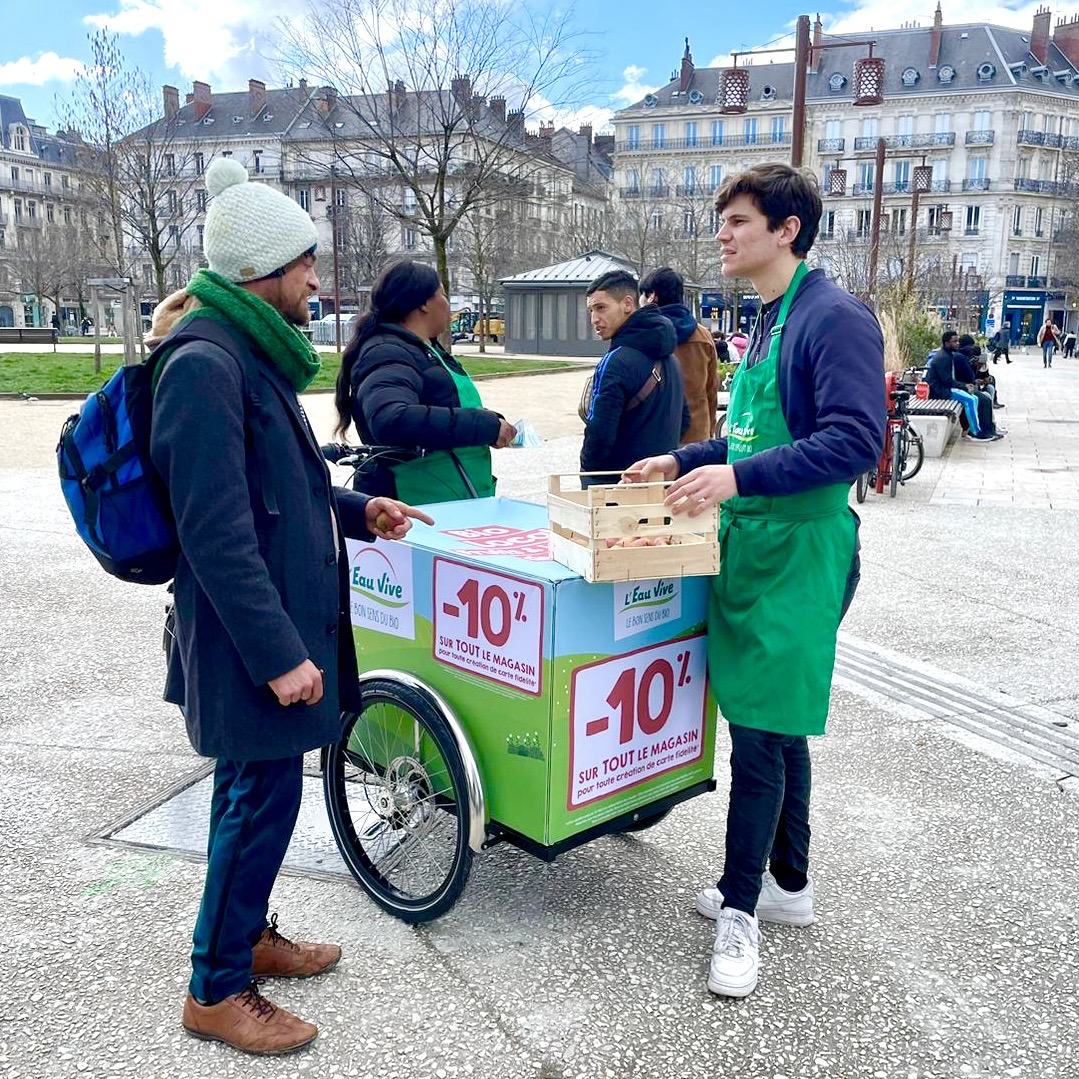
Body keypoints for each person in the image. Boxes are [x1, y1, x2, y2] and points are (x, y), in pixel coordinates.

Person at [147, 158, 433, 1056]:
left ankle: (248, 935)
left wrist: (360, 508)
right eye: (306, 264)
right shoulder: (203, 363)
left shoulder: (248, 354)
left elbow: (286, 485)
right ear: (262, 270)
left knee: (257, 794)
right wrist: (279, 655)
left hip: (266, 629)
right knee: (255, 801)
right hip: (247, 642)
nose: (318, 280)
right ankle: (216, 986)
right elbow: (215, 533)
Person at [624, 163, 884, 999]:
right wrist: (686, 456)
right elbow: (747, 433)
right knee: (778, 727)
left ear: (787, 231)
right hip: (754, 547)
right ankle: (789, 884)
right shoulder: (767, 317)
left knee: (762, 739)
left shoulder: (833, 317)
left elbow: (852, 439)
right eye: (722, 220)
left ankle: (741, 911)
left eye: (737, 220)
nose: (722, 233)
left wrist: (735, 481)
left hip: (798, 555)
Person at [332, 260, 515, 502]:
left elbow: (441, 405)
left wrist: (492, 422)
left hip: (450, 501)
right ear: (424, 304)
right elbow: (392, 419)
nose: (448, 304)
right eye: (443, 294)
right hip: (413, 507)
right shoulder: (387, 351)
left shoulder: (425, 350)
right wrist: (483, 426)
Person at [580, 269, 688, 484]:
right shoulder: (672, 359)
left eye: (601, 308)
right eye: (591, 310)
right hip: (659, 483)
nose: (594, 319)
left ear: (628, 304)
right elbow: (684, 420)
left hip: (619, 486)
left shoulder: (615, 362)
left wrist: (588, 474)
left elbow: (599, 435)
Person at [639, 266, 719, 443]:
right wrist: (710, 428)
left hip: (655, 437)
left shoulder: (643, 334)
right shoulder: (703, 335)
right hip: (697, 434)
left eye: (643, 295)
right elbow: (711, 388)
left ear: (652, 296)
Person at [925, 331, 1002, 441]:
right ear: (947, 343)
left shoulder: (948, 355)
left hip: (945, 388)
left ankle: (976, 429)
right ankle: (975, 433)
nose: (957, 343)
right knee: (970, 400)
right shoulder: (943, 358)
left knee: (974, 398)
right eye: (954, 341)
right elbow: (947, 381)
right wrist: (965, 386)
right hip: (939, 391)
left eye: (957, 341)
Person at [957, 334, 1004, 411]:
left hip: (973, 385)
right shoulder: (962, 358)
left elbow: (981, 376)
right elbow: (969, 377)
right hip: (966, 387)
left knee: (991, 384)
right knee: (986, 399)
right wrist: (975, 367)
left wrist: (984, 374)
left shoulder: (965, 357)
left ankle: (993, 403)